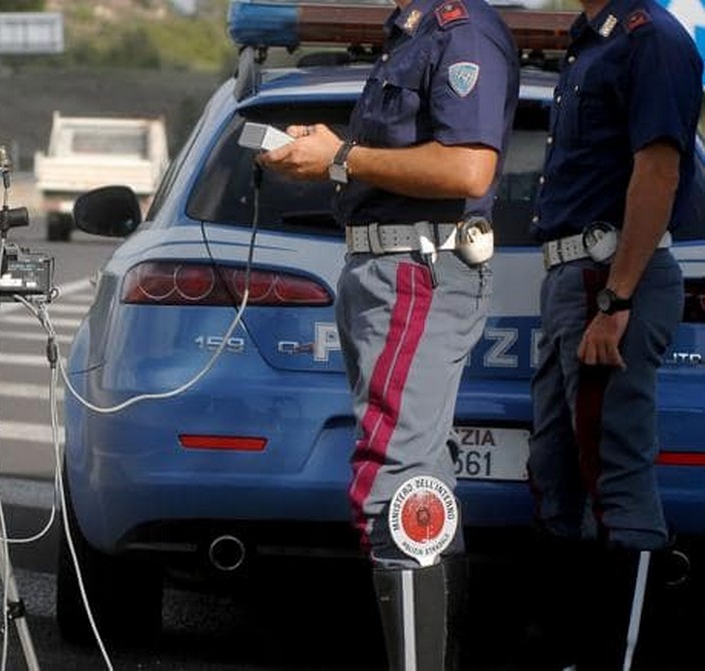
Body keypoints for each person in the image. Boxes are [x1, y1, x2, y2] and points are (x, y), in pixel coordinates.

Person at [256, 0, 520, 668]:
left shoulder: (464, 32)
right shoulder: (415, 35)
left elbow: (468, 170)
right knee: (418, 478)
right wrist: (333, 158)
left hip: (419, 267)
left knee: (394, 478)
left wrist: (341, 155)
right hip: (384, 267)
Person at [524, 0, 702, 667]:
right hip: (573, 279)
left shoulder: (649, 38)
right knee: (555, 477)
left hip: (611, 277)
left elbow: (658, 170)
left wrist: (617, 296)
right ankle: (566, 654)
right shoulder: (592, 41)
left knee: (618, 483)